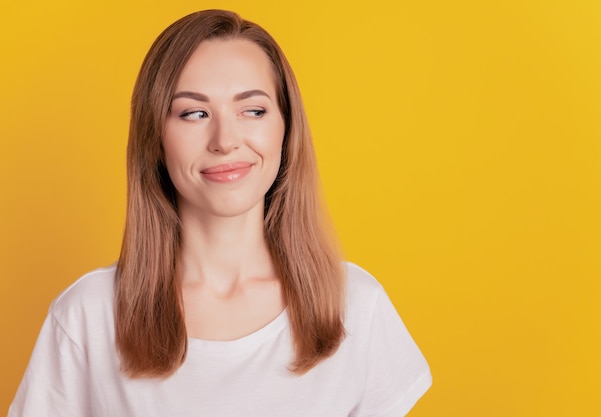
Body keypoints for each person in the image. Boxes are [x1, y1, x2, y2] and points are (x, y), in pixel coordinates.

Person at [9, 9, 431, 417]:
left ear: (287, 128)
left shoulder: (356, 306)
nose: (225, 140)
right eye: (194, 113)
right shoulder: (88, 315)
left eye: (253, 110)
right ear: (155, 137)